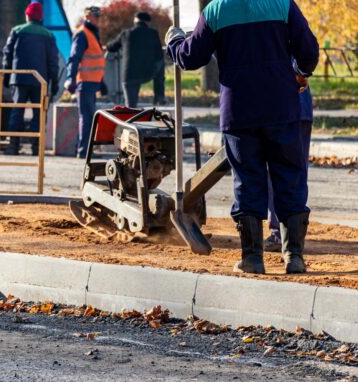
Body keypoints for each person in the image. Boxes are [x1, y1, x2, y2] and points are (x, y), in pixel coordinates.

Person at [166, 0, 319, 274]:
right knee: (289, 177)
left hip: (239, 111)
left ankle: (252, 258)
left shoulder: (216, 10)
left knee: (248, 180)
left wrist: (175, 41)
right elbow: (308, 50)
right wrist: (300, 72)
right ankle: (294, 256)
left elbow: (191, 57)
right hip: (281, 107)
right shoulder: (281, 5)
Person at [2, 1, 59, 156]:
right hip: (40, 81)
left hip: (19, 80)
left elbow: (7, 56)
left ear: (27, 15)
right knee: (39, 114)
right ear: (41, 18)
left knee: (16, 112)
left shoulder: (16, 31)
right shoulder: (48, 35)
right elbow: (53, 62)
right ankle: (36, 148)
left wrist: (7, 77)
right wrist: (54, 83)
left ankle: (13, 147)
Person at [265, 85, 313, 254]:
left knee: (275, 173)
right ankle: (294, 237)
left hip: (275, 108)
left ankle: (280, 234)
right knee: (297, 172)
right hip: (301, 107)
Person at [65, 6, 107, 158]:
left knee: (89, 117)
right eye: (95, 16)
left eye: (99, 16)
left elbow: (96, 60)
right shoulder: (82, 34)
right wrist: (71, 79)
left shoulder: (92, 34)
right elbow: (74, 58)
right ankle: (84, 151)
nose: (98, 19)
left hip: (91, 83)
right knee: (87, 117)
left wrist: (102, 83)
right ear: (87, 16)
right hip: (84, 82)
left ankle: (84, 149)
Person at [106, 12, 164, 108]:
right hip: (148, 73)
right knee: (160, 64)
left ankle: (130, 118)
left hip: (130, 75)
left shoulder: (126, 33)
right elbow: (159, 55)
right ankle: (159, 97)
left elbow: (111, 47)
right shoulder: (153, 33)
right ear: (148, 22)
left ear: (135, 21)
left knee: (130, 107)